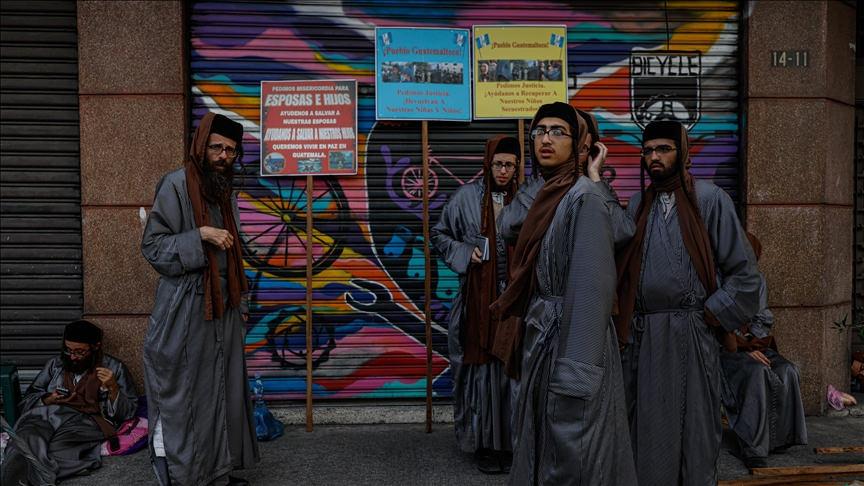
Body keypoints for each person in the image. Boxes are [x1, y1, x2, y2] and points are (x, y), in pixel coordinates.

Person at [490, 102, 636, 485]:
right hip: (544, 334)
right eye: (539, 131)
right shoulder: (546, 193)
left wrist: (576, 372)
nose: (546, 139)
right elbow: (509, 227)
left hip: (573, 340)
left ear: (580, 144)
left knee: (573, 448)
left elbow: (592, 287)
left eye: (558, 131)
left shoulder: (585, 197)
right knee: (543, 438)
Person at [616, 120, 762, 485]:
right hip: (646, 335)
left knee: (696, 426)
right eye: (648, 151)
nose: (654, 157)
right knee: (648, 428)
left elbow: (744, 273)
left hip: (694, 331)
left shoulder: (710, 199)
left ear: (682, 152)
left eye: (663, 149)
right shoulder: (637, 204)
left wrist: (713, 313)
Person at [142, 112, 259, 486]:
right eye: (217, 147)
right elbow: (153, 247)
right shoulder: (175, 185)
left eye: (231, 150)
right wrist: (200, 235)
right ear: (200, 146)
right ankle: (185, 476)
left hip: (223, 307)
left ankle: (217, 474)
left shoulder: (223, 190)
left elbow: (235, 254)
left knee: (221, 392)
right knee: (186, 394)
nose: (224, 156)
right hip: (185, 307)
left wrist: (241, 304)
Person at [431, 135, 521, 474]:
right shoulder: (466, 197)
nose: (503, 171)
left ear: (517, 167)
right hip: (477, 300)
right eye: (498, 164)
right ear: (488, 164)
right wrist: (466, 252)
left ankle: (511, 444)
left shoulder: (525, 199)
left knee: (511, 371)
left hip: (515, 301)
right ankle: (485, 444)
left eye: (509, 165)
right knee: (481, 372)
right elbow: (439, 234)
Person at [1, 320, 137, 485]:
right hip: (47, 416)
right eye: (68, 350)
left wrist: (113, 388)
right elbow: (29, 398)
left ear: (96, 346)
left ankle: (23, 478)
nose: (72, 357)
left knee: (53, 447)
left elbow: (129, 412)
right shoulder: (55, 365)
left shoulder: (115, 368)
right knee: (27, 435)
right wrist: (47, 399)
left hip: (86, 422)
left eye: (79, 352)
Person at [720, 233, 807, 470]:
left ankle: (781, 438)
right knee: (756, 372)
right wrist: (742, 347)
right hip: (724, 350)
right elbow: (718, 324)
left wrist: (752, 342)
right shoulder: (717, 280)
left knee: (787, 370)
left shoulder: (757, 280)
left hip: (752, 345)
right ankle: (753, 448)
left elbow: (761, 319)